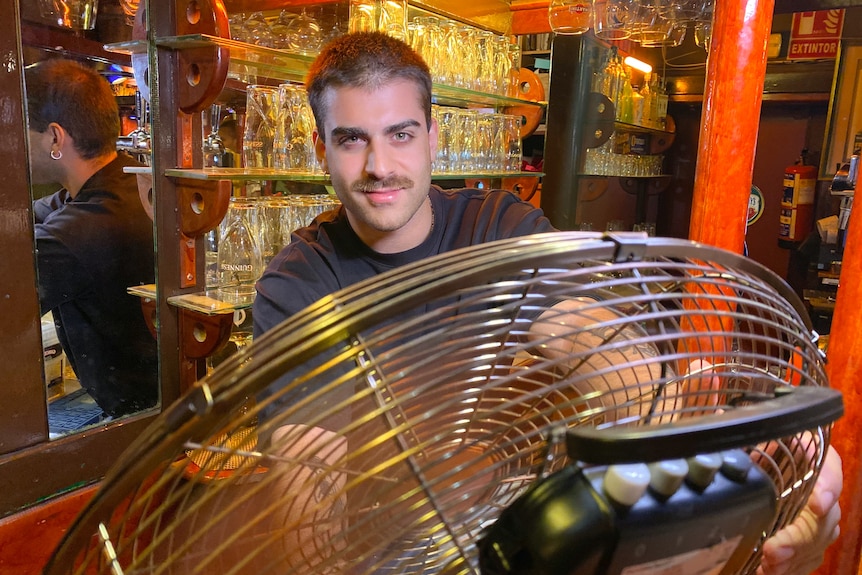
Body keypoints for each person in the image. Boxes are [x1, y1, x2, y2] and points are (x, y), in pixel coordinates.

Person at [253, 32, 842, 575]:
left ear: (432, 138)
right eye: (352, 139)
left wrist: (676, 473)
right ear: (319, 149)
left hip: (525, 538)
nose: (379, 166)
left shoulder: (498, 226)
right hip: (387, 558)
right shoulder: (299, 284)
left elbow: (595, 344)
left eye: (400, 134)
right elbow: (308, 481)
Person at [27, 59, 158, 419]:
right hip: (161, 410)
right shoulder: (124, 181)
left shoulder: (84, 228)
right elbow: (35, 214)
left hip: (144, 427)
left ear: (55, 137)